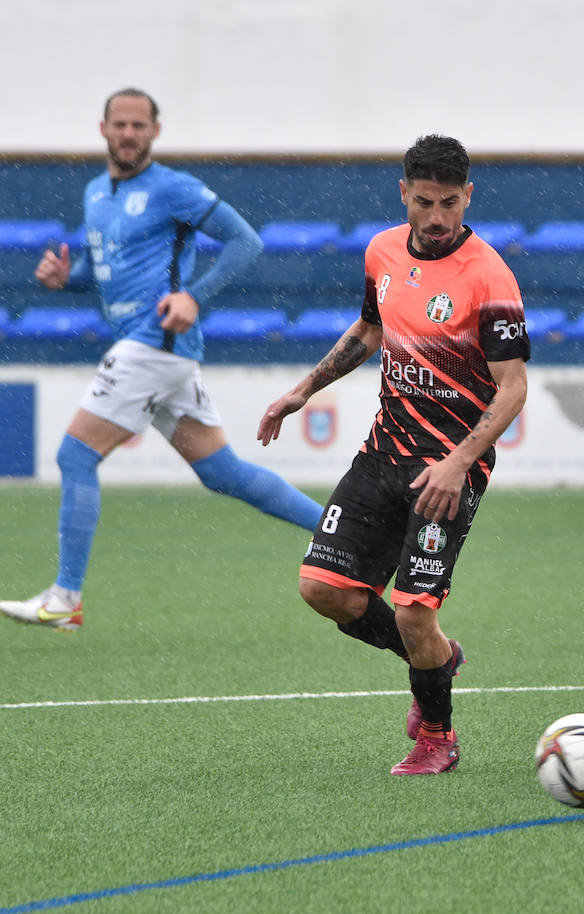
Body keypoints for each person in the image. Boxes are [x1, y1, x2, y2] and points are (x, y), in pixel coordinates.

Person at [0, 88, 322, 633]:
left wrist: (196, 295)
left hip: (155, 344)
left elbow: (247, 242)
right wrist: (68, 280)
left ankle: (65, 597)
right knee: (225, 473)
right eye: (120, 124)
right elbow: (108, 277)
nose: (129, 133)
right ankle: (343, 531)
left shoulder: (172, 187)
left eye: (139, 125)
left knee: (75, 457)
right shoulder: (95, 194)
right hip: (152, 351)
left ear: (155, 131)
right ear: (103, 128)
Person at [257, 135, 529, 776]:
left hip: (448, 467)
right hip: (383, 452)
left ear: (469, 197)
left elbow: (513, 387)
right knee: (323, 589)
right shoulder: (382, 250)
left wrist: (459, 463)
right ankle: (436, 660)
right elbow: (370, 331)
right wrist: (304, 388)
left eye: (450, 203)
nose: (437, 218)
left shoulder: (489, 276)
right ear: (403, 193)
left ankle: (437, 734)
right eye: (425, 202)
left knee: (412, 614)